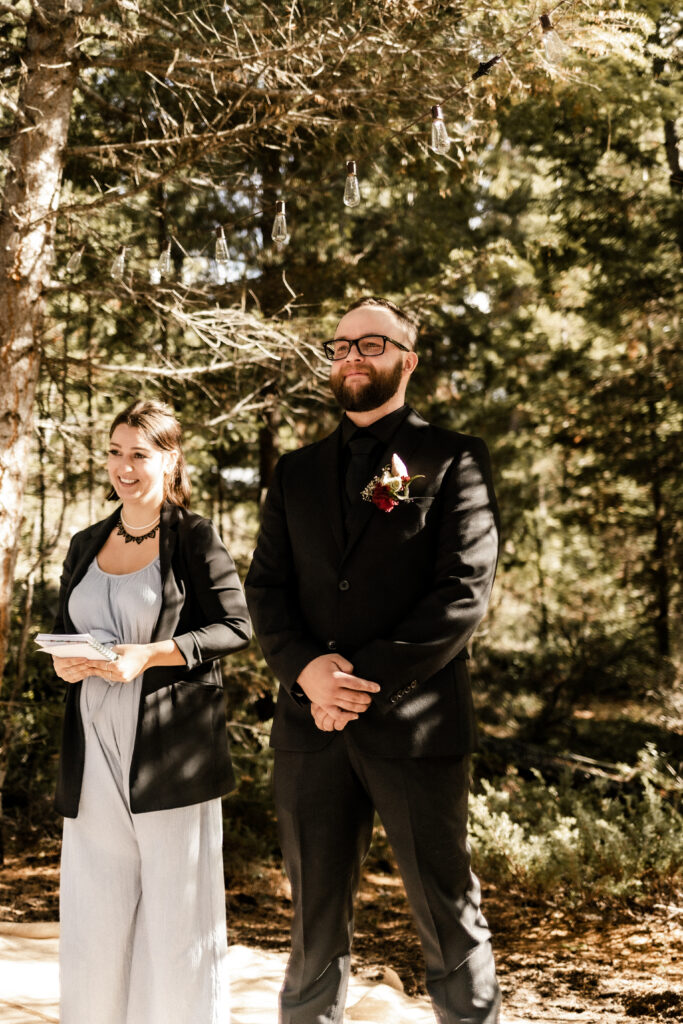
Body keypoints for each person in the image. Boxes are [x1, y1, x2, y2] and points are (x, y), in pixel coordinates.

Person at [245, 296, 502, 1024]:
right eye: (339, 345)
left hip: (413, 725)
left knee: (445, 912)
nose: (351, 355)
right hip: (309, 728)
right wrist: (306, 672)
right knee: (312, 926)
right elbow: (266, 587)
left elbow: (462, 592)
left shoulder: (452, 457)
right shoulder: (294, 473)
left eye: (371, 343)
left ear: (407, 359)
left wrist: (358, 681)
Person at [52, 399, 251, 1024]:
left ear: (170, 459)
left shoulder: (193, 538)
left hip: (168, 749)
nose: (124, 467)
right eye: (115, 452)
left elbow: (237, 627)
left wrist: (154, 655)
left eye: (139, 454)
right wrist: (64, 662)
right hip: (92, 744)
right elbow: (63, 630)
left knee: (174, 916)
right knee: (95, 907)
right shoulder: (86, 542)